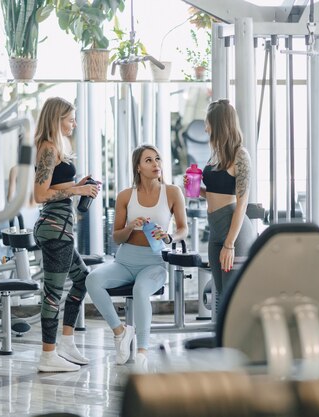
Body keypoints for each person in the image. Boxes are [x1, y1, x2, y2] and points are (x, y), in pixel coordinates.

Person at [86, 145, 187, 373]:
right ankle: (120, 332)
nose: (156, 164)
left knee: (141, 290)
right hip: (124, 261)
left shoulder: (172, 192)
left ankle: (142, 351)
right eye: (149, 160)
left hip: (154, 263)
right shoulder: (125, 196)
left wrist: (169, 236)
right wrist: (131, 226)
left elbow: (183, 229)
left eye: (158, 159)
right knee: (92, 280)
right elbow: (117, 237)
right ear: (138, 167)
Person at [32, 97, 101, 372]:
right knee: (53, 293)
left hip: (61, 229)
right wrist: (77, 191)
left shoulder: (56, 148)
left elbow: (56, 185)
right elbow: (40, 195)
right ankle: (47, 355)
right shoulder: (48, 148)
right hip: (54, 229)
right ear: (56, 119)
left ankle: (67, 342)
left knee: (83, 279)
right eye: (70, 119)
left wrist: (78, 184)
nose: (74, 123)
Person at [186, 99, 255, 308]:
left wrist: (229, 243)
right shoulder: (216, 155)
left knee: (231, 298)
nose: (205, 128)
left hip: (233, 230)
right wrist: (197, 190)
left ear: (219, 124)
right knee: (219, 295)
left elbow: (242, 203)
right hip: (215, 228)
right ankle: (221, 340)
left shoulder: (240, 155)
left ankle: (237, 340)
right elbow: (217, 193)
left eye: (208, 123)